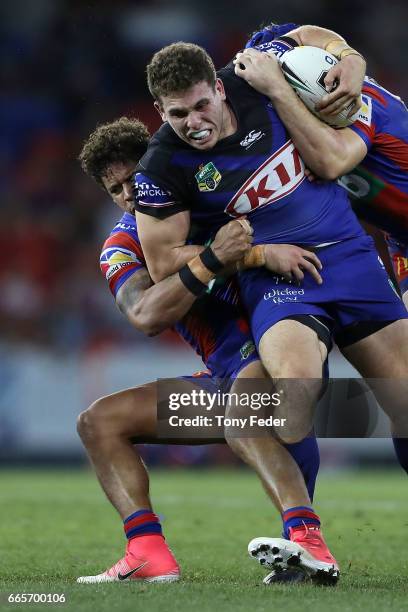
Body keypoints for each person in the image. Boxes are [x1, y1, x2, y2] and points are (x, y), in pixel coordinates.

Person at [133, 40, 408, 581]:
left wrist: (351, 59)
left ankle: (303, 533)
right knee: (294, 389)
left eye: (200, 105)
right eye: (177, 114)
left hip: (351, 261)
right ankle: (304, 538)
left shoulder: (257, 72)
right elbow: (163, 260)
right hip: (279, 283)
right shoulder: (161, 165)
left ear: (217, 87)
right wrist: (258, 253)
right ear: (161, 113)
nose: (194, 123)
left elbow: (316, 35)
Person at [76, 117, 325, 584]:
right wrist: (214, 259)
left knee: (247, 411)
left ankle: (308, 540)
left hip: (280, 357)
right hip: (224, 381)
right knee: (98, 422)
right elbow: (146, 316)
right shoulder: (121, 246)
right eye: (116, 188)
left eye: (135, 177)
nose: (129, 194)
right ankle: (148, 551)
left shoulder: (215, 203)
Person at [240, 22, 408, 306]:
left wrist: (277, 89)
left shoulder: (357, 101)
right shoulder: (311, 123)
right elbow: (305, 33)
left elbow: (332, 162)